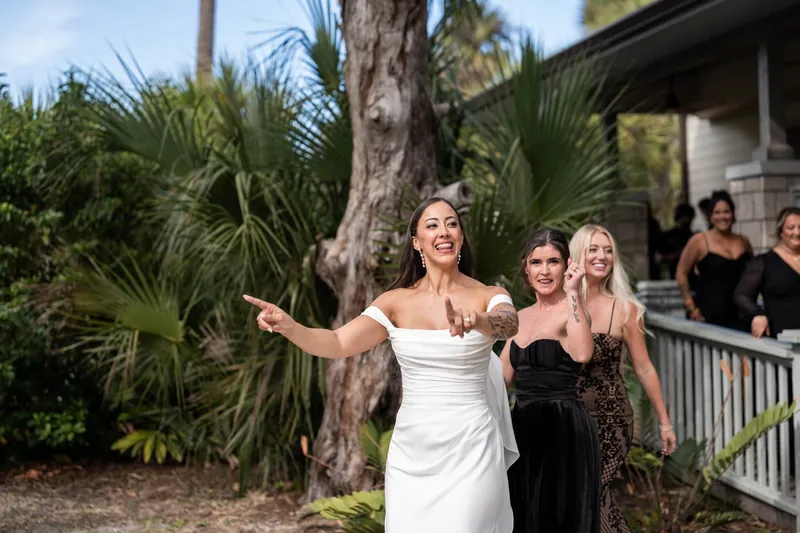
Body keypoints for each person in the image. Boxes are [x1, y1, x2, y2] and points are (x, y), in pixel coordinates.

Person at [244, 197, 520, 533]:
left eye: (451, 223)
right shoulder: (394, 302)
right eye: (432, 225)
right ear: (417, 243)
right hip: (412, 452)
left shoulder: (489, 294)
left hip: (472, 446)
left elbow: (508, 324)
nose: (444, 231)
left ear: (461, 236)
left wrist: (476, 320)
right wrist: (290, 326)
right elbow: (338, 343)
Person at [569, 224, 676, 533]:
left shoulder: (626, 310)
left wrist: (664, 421)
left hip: (610, 418)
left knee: (594, 493)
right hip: (568, 417)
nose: (602, 256)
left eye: (608, 250)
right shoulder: (561, 304)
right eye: (593, 249)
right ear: (579, 255)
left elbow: (644, 367)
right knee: (576, 498)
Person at [499, 227, 601, 533]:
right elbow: (500, 379)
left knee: (560, 519)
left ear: (567, 266)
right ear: (526, 268)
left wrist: (573, 293)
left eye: (553, 262)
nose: (544, 271)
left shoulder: (572, 310)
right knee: (524, 516)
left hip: (564, 429)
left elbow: (583, 353)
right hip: (523, 430)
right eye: (536, 262)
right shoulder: (518, 316)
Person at [675, 190, 752, 330]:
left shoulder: (743, 241)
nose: (722, 216)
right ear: (710, 216)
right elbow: (681, 273)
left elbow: (753, 273)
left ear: (733, 214)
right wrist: (690, 306)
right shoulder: (699, 240)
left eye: (727, 212)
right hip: (708, 313)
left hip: (740, 313)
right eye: (717, 212)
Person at [735, 206, 800, 338]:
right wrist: (757, 314)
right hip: (782, 338)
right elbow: (741, 294)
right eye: (791, 228)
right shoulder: (764, 262)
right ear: (780, 231)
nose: (797, 232)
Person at [657, 203, 696, 279]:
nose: (688, 220)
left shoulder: (694, 236)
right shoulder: (667, 236)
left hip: (692, 278)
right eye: (686, 217)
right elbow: (658, 258)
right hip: (673, 276)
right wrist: (675, 256)